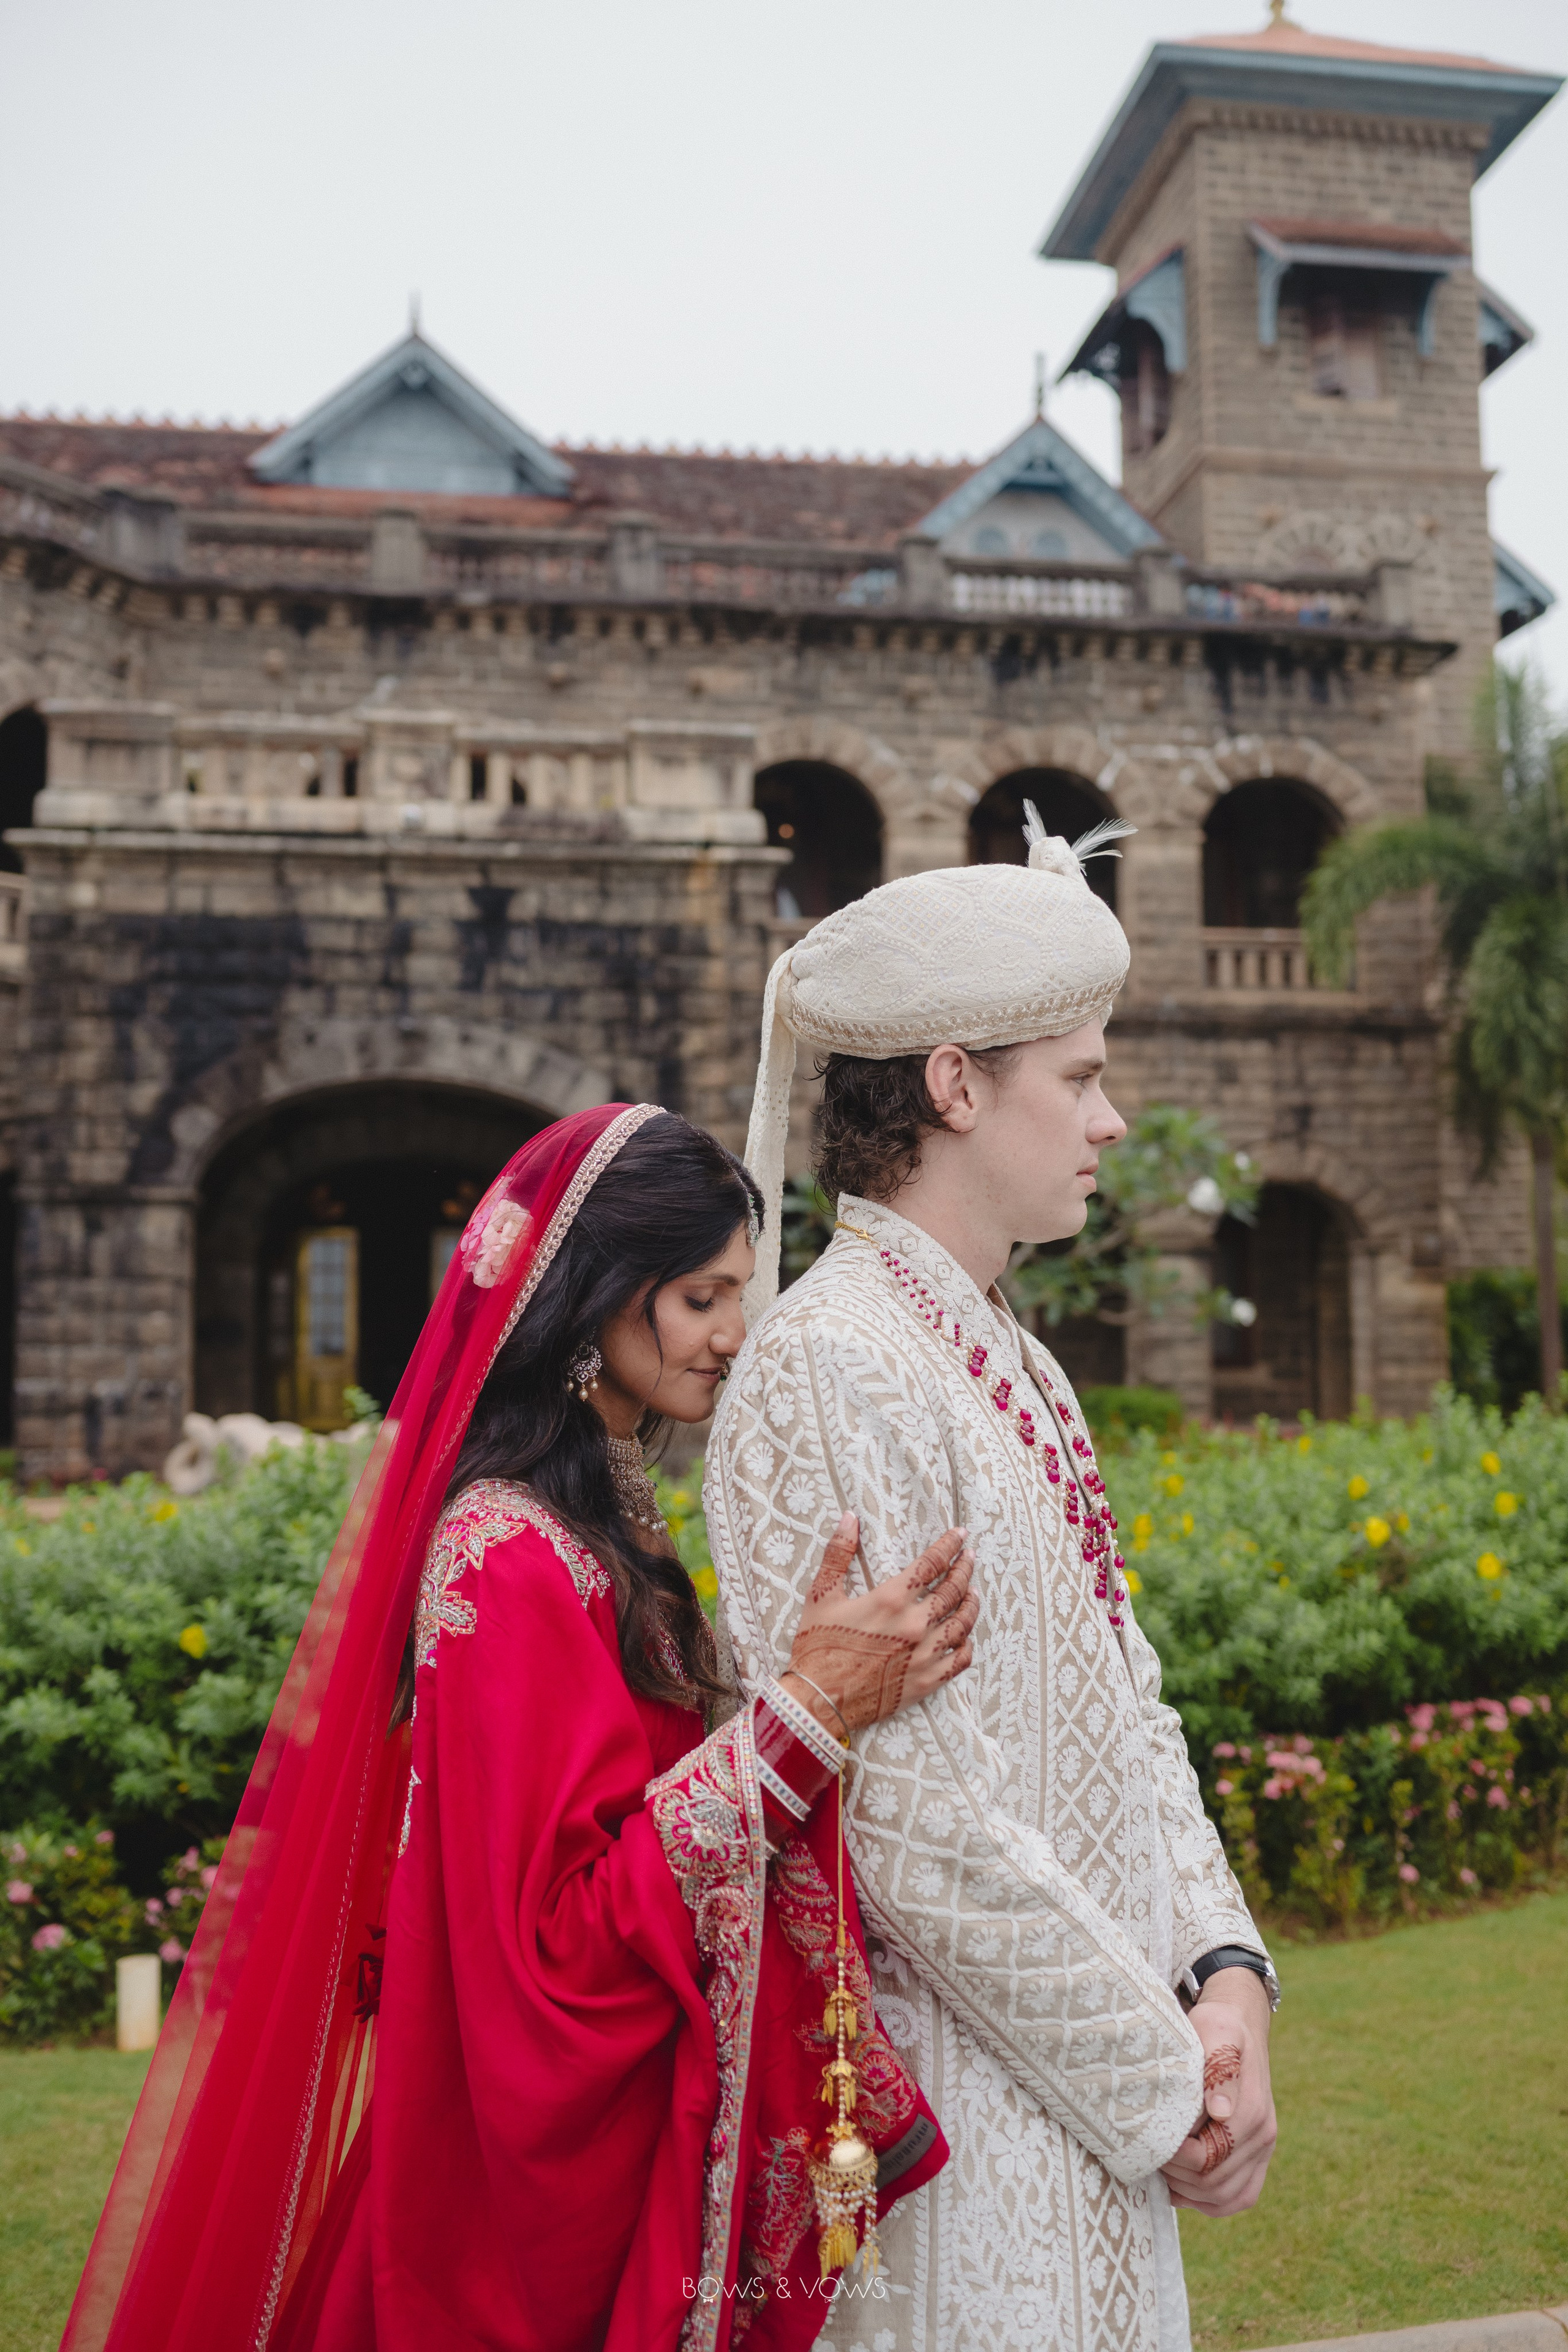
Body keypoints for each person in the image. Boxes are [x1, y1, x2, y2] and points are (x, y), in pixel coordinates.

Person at [64, 1103, 982, 2352]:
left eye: (739, 1295)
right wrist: (805, 1716)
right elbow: (554, 1942)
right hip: (512, 2212)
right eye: (702, 1298)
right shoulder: (503, 1557)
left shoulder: (602, 1522)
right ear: (595, 1295)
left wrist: (811, 1685)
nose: (735, 1335)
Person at [706, 815, 1279, 2352]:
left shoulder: (1016, 1363)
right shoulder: (827, 1364)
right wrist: (1162, 2081)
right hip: (954, 2149)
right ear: (954, 1085)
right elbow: (903, 1825)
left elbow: (1130, 1701)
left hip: (1103, 2118)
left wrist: (1225, 1979)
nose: (1111, 1119)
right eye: (1078, 1079)